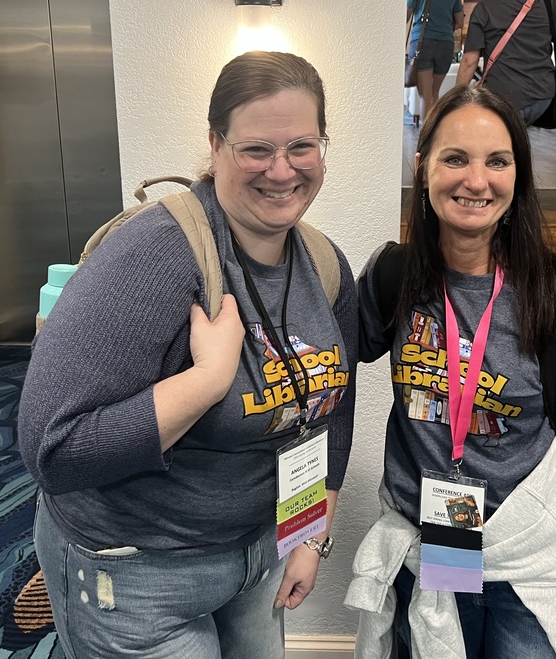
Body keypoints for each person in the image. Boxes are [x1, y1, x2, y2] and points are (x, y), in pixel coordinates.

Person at [18, 51, 358, 658]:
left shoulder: (324, 264)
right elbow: (55, 450)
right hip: (138, 574)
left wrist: (309, 536)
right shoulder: (154, 256)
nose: (282, 171)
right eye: (257, 149)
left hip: (257, 556)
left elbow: (330, 409)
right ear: (215, 144)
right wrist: (207, 381)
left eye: (302, 147)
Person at [350, 85, 556, 657]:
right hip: (431, 546)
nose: (475, 181)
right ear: (423, 167)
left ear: (518, 176)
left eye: (497, 161)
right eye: (455, 158)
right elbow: (323, 372)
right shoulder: (393, 277)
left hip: (528, 557)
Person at [407, 0, 465, 128]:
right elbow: (460, 22)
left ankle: (425, 139)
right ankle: (434, 134)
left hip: (423, 43)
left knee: (424, 95)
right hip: (445, 45)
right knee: (435, 92)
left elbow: (406, 15)